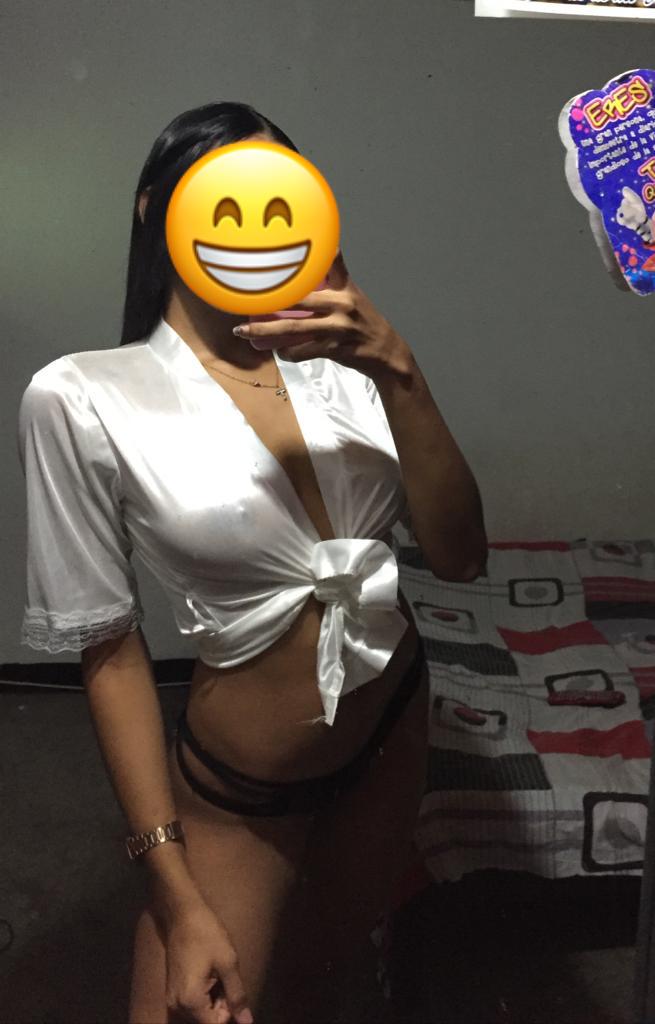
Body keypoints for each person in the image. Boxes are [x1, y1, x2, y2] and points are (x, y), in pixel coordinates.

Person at [17, 100, 487, 1023]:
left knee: (317, 977)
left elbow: (460, 555)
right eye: (225, 193)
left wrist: (399, 369)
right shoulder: (80, 396)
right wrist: (171, 887)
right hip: (243, 790)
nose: (256, 222)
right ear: (158, 209)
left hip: (393, 724)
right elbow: (108, 650)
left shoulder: (349, 364)